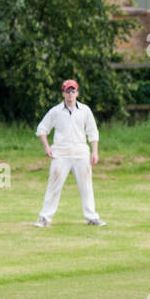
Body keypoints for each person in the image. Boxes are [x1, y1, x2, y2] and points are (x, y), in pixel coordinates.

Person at [34, 79, 105, 227]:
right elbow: (42, 129)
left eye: (73, 91)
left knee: (86, 186)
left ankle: (92, 217)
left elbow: (92, 131)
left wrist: (95, 151)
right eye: (67, 91)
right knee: (54, 185)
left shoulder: (85, 110)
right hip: (60, 153)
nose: (70, 94)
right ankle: (45, 218)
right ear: (63, 93)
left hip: (81, 153)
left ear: (77, 93)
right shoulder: (55, 111)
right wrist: (47, 147)